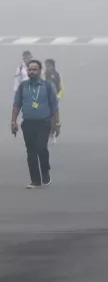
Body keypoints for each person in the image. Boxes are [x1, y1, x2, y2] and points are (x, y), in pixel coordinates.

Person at [10, 60, 61, 188]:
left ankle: (45, 171)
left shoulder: (47, 86)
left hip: (43, 123)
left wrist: (57, 123)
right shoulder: (23, 87)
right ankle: (35, 181)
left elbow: (54, 106)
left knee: (41, 148)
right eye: (29, 70)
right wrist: (13, 121)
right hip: (28, 124)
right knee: (31, 152)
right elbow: (16, 105)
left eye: (34, 69)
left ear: (40, 71)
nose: (31, 72)